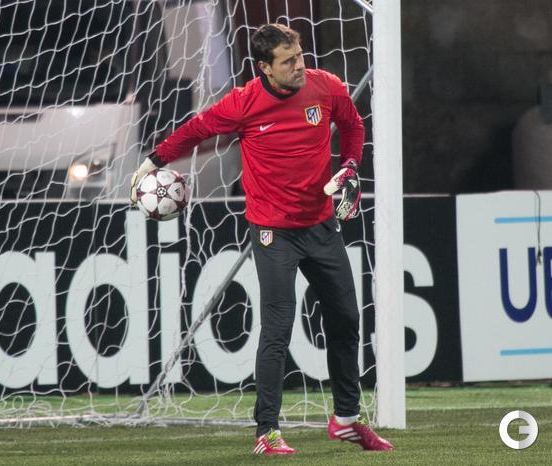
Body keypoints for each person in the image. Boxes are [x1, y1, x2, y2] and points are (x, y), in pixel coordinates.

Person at [130, 23, 394, 455]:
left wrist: (349, 166)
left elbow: (353, 125)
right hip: (274, 232)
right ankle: (266, 431)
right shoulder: (244, 102)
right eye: (288, 61)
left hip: (321, 225)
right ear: (264, 68)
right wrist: (153, 161)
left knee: (347, 318)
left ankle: (346, 420)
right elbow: (197, 130)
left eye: (300, 56)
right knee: (278, 325)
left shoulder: (326, 87)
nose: (299, 66)